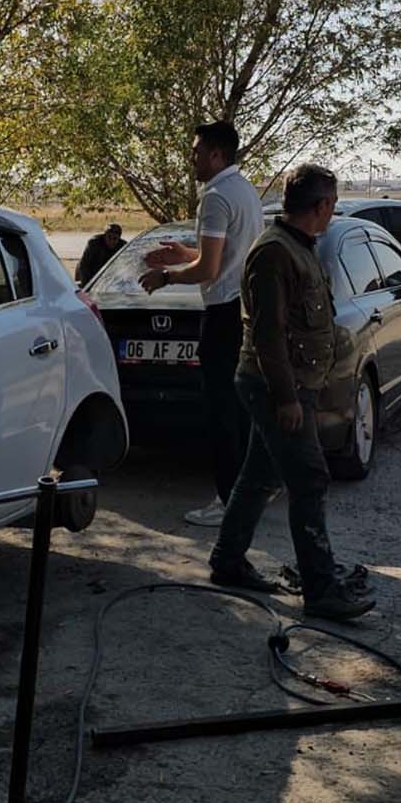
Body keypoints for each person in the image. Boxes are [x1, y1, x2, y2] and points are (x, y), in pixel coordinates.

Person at [206, 164, 374, 621]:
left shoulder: (299, 248)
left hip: (294, 384)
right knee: (310, 479)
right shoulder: (274, 253)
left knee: (259, 474)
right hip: (275, 386)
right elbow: (268, 335)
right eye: (333, 205)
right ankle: (321, 590)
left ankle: (227, 561)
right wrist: (285, 398)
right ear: (320, 206)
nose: (333, 212)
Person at [137, 120, 263, 526]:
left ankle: (228, 502)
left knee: (222, 411)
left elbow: (209, 269)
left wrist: (166, 277)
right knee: (240, 409)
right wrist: (181, 253)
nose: (190, 158)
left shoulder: (215, 197)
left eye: (195, 151)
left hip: (223, 314)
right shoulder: (243, 190)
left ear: (216, 154)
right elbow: (220, 255)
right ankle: (247, 493)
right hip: (242, 309)